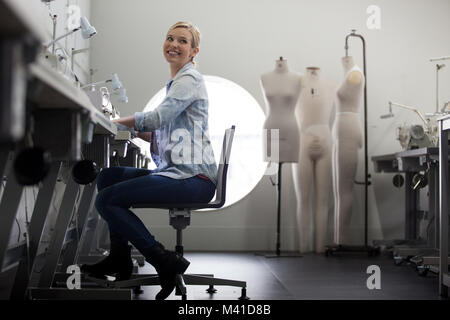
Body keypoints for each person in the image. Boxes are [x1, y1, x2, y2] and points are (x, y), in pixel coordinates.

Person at [80, 21, 217, 300]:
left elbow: (156, 118)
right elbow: (161, 130)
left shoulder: (189, 79)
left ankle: (162, 259)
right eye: (170, 38)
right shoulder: (178, 82)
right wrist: (129, 128)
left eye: (182, 41)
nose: (174, 44)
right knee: (107, 177)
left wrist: (111, 120)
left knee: (106, 200)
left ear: (193, 51)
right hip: (176, 172)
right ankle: (119, 257)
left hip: (192, 178)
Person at [292, 67, 335, 253]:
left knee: (321, 199)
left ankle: (319, 246)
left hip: (321, 137)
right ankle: (304, 246)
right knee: (304, 198)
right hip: (304, 137)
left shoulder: (331, 85)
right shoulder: (296, 83)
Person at [332, 56, 364, 245]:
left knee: (344, 189)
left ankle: (342, 239)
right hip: (342, 130)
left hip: (349, 130)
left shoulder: (355, 74)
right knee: (338, 190)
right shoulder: (349, 74)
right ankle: (338, 240)